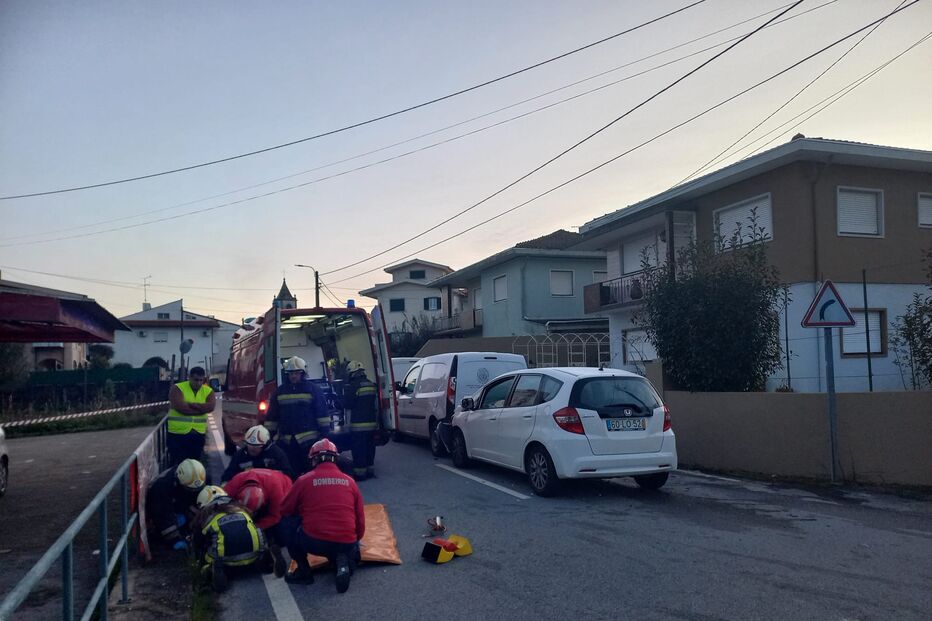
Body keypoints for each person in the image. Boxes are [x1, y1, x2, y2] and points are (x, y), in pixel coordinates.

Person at [280, 439, 365, 593]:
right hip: (347, 541)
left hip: (315, 542)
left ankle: (304, 572)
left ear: (314, 460)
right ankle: (344, 562)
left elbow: (285, 509)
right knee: (343, 544)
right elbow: (360, 518)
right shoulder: (350, 482)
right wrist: (355, 541)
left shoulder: (303, 480)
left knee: (287, 523)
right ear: (336, 459)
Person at [192, 485, 268, 593]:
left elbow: (198, 543)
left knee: (207, 555)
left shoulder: (207, 518)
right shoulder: (242, 511)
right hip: (253, 557)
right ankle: (264, 559)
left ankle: (212, 570)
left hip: (227, 563)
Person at [223, 468, 293, 577]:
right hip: (244, 507)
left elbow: (275, 516)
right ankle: (267, 547)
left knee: (283, 534)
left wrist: (254, 527)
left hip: (284, 492)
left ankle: (268, 545)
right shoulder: (234, 485)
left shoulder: (275, 489)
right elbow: (221, 503)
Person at [264, 356, 327, 474]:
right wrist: (268, 437)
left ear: (303, 373)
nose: (293, 376)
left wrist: (324, 436)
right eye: (290, 373)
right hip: (287, 442)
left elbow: (322, 414)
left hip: (309, 442)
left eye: (297, 373)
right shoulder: (279, 392)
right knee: (291, 473)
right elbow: (272, 417)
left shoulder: (313, 390)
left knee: (311, 473)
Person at [145, 458, 206, 550]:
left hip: (177, 503)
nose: (193, 492)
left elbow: (199, 499)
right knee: (167, 531)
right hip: (162, 509)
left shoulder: (198, 479)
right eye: (190, 489)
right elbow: (163, 516)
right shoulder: (161, 488)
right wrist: (175, 540)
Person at [167, 367, 216, 465]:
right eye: (196, 380)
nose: (198, 383)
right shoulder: (177, 388)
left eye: (201, 380)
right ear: (189, 377)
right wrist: (201, 409)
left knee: (195, 465)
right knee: (177, 464)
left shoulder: (208, 391)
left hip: (198, 434)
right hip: (177, 434)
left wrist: (191, 404)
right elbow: (180, 407)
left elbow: (210, 407)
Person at [221, 425, 295, 483]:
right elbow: (227, 476)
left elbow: (289, 474)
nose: (252, 449)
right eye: (249, 445)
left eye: (256, 446)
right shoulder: (240, 455)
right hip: (246, 488)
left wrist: (272, 475)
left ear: (264, 445)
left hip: (270, 489)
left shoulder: (276, 454)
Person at [343, 361, 379, 481]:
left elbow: (348, 404)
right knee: (370, 448)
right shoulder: (371, 384)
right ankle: (370, 470)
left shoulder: (352, 386)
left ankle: (360, 474)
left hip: (358, 426)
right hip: (372, 424)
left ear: (352, 373)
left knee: (359, 450)